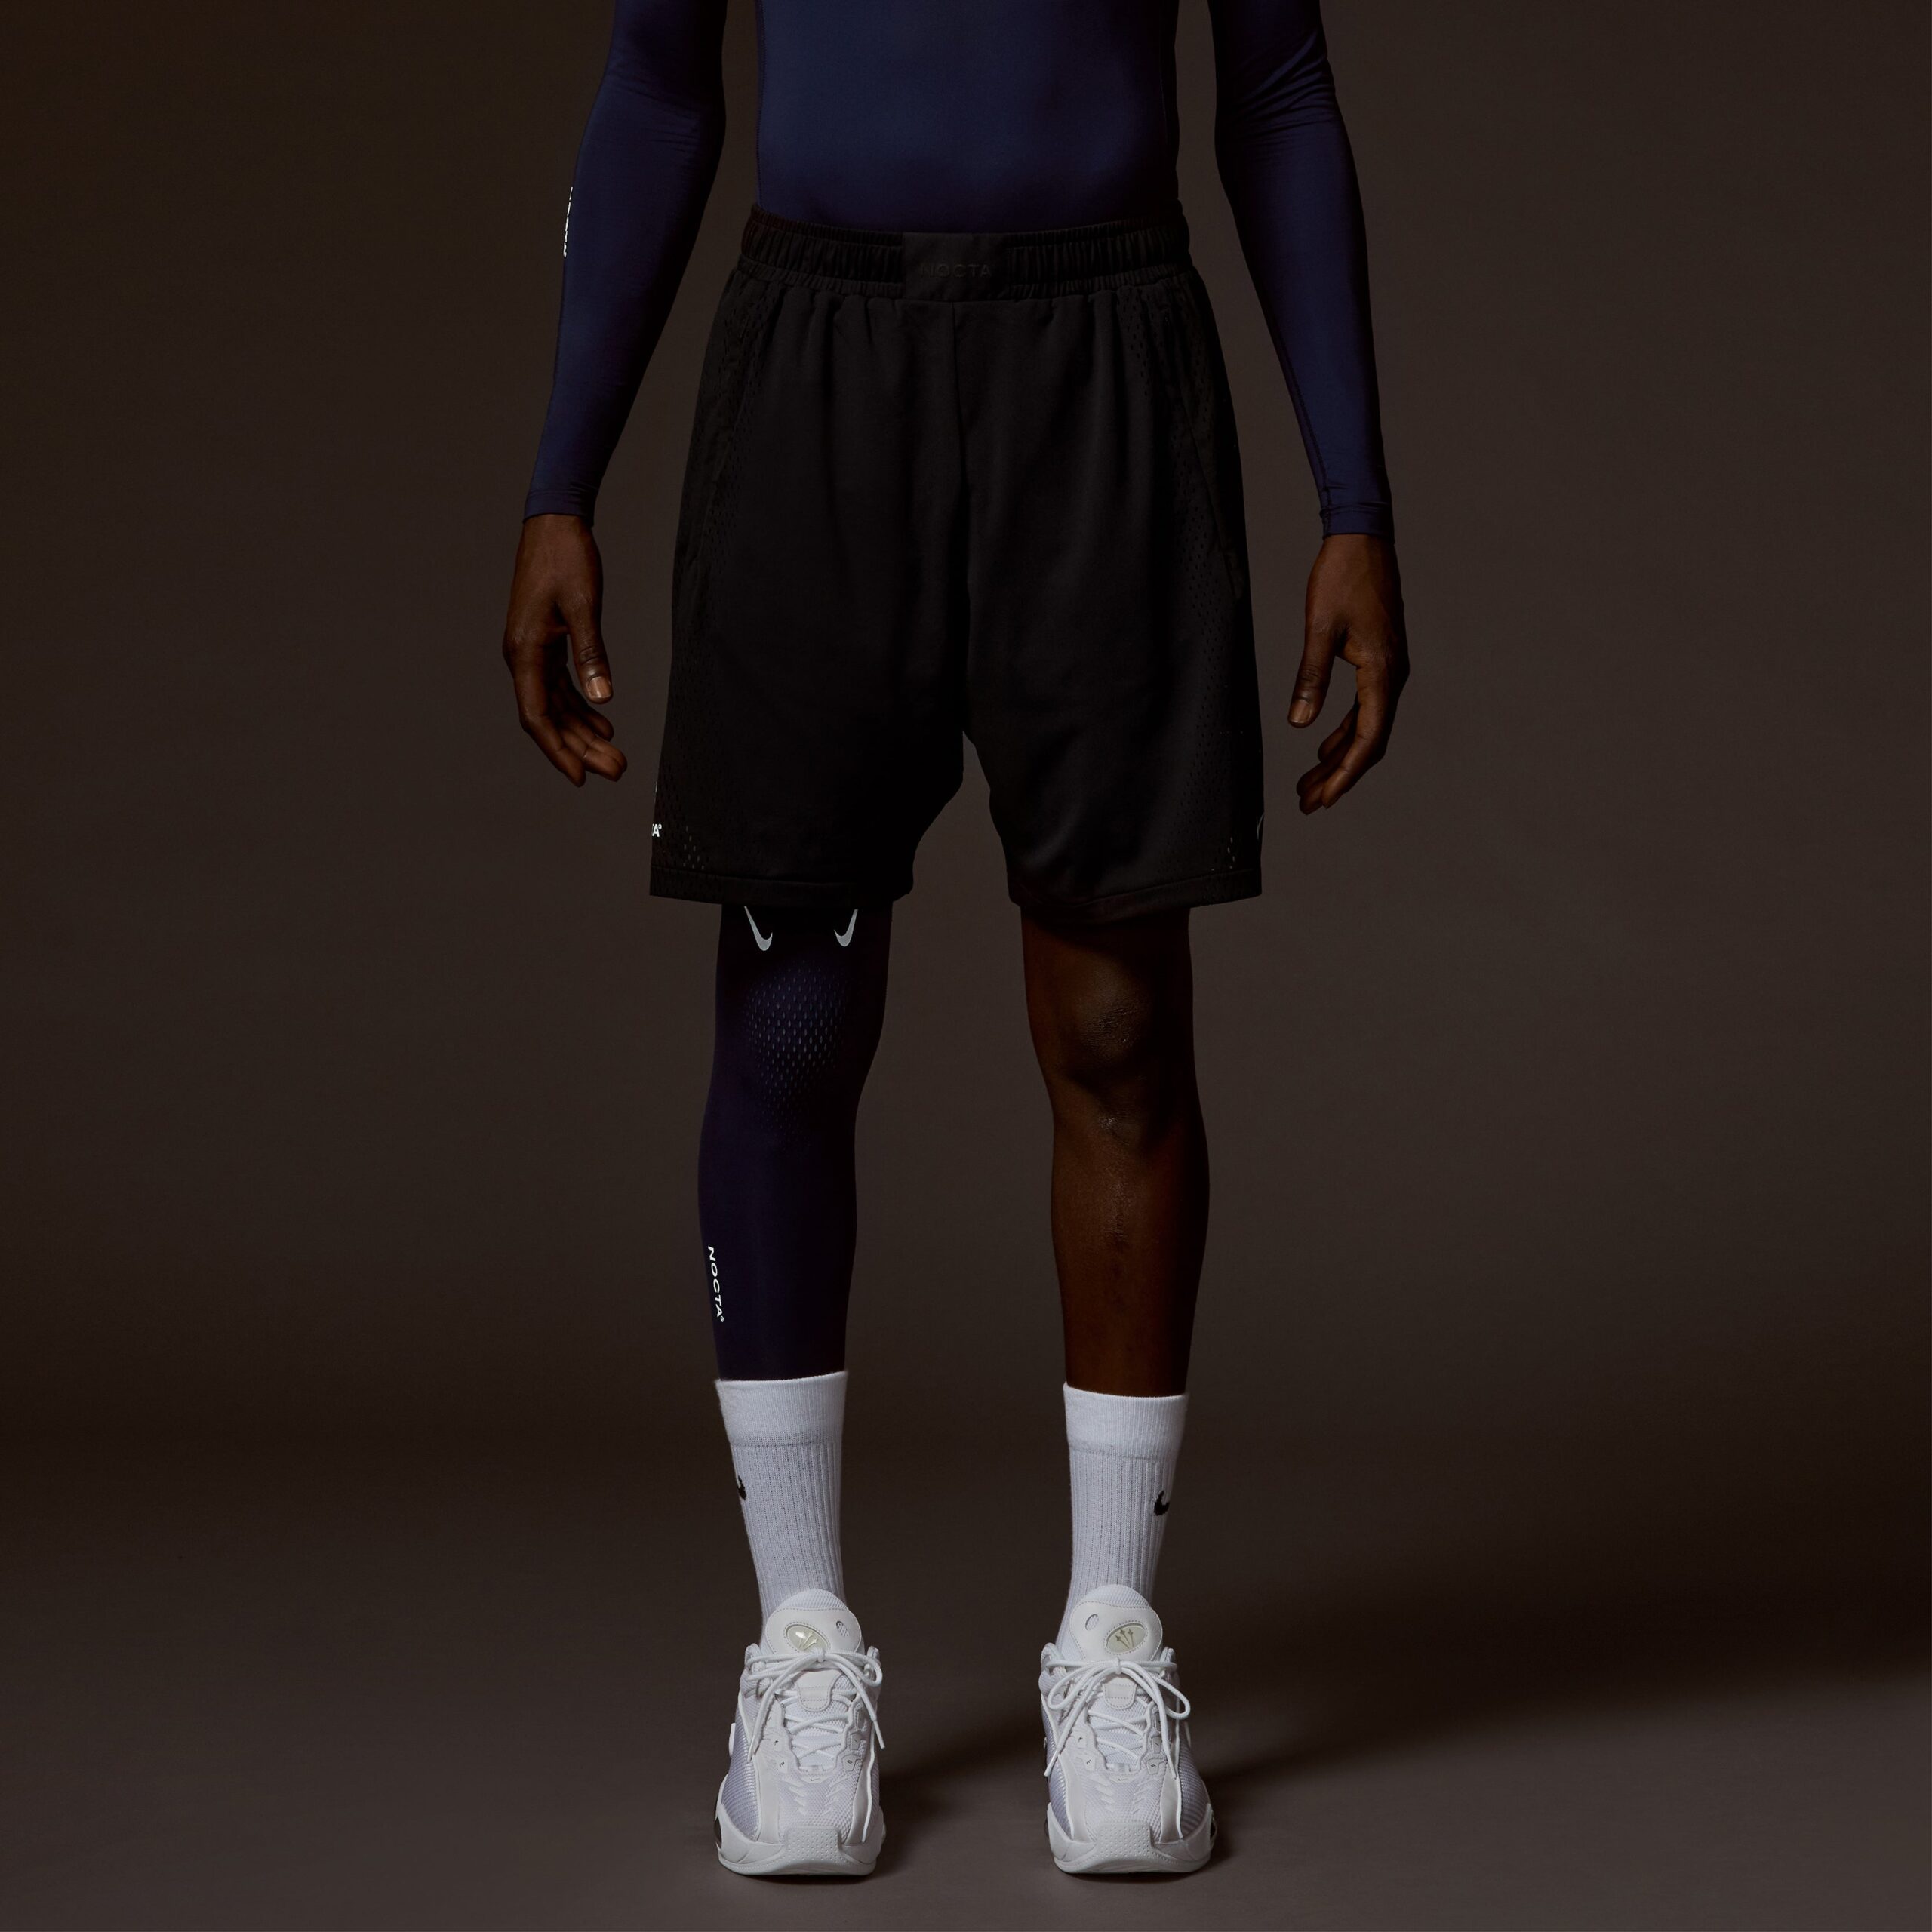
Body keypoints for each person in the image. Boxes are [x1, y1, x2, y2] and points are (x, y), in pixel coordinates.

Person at [500, 0, 1407, 1880]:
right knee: (788, 1018)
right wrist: (558, 478)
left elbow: (1276, 88)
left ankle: (1113, 1639)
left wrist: (1353, 499)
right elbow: (659, 85)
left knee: (1117, 1026)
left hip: (1104, 356)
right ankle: (799, 1645)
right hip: (819, 360)